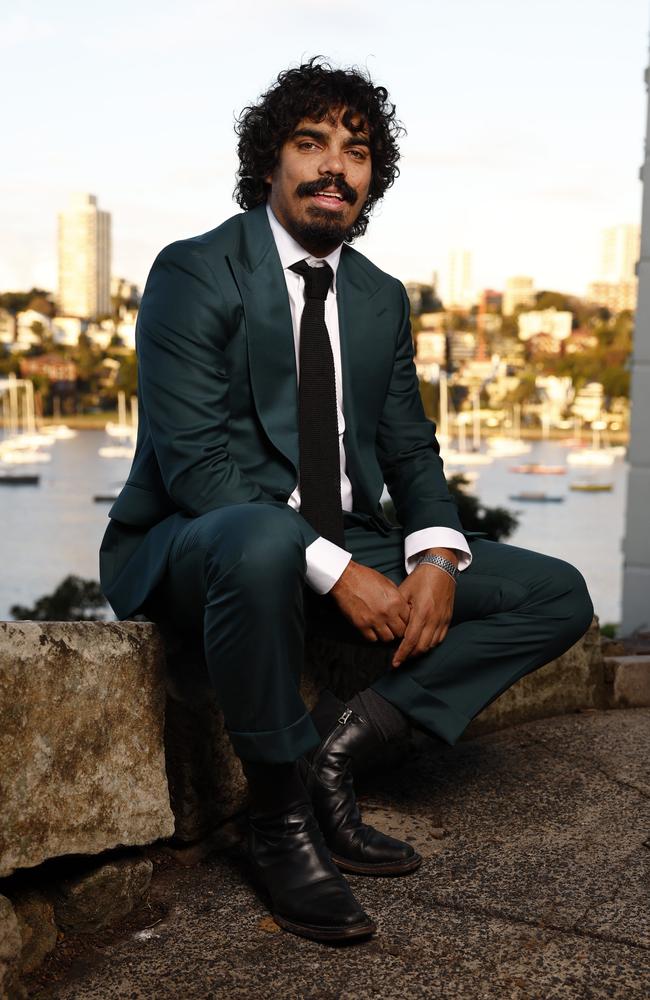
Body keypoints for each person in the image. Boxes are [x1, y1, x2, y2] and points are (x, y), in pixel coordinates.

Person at [100, 58, 594, 943]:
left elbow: (409, 447)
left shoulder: (377, 298)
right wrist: (337, 574)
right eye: (310, 142)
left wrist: (435, 556)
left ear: (372, 179)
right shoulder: (194, 272)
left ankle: (340, 751)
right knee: (256, 535)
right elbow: (197, 472)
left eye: (356, 152)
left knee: (557, 593)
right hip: (202, 547)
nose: (335, 165)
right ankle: (280, 818)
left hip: (347, 540)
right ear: (269, 164)